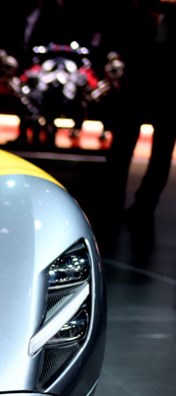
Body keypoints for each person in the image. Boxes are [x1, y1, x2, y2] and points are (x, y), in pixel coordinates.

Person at [96, 0, 176, 264]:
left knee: (162, 153)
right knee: (121, 149)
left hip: (168, 94)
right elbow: (114, 41)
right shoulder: (132, 10)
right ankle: (113, 202)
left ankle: (145, 205)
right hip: (134, 90)